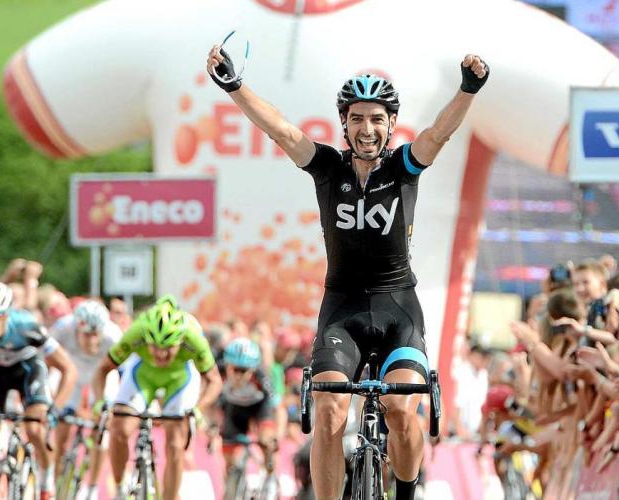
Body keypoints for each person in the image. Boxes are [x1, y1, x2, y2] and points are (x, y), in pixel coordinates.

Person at [206, 42, 489, 500]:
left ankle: (405, 493)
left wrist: (468, 89)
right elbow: (280, 130)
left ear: (391, 124)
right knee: (330, 411)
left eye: (377, 119)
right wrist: (235, 86)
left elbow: (438, 133)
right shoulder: (327, 168)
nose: (367, 128)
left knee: (401, 409)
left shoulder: (403, 168)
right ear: (344, 122)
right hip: (342, 309)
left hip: (399, 308)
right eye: (357, 118)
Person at [92, 295, 223, 500]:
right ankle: (120, 489)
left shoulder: (193, 338)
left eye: (168, 348)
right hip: (143, 376)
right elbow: (102, 370)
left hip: (178, 379)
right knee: (119, 428)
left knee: (176, 444)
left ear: (181, 341)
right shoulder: (136, 332)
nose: (161, 354)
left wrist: (198, 408)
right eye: (155, 347)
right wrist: (101, 401)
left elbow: (214, 380)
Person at [0, 280, 77, 500]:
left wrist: (55, 409)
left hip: (27, 372)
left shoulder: (25, 326)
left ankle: (47, 481)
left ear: (6, 316)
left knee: (35, 428)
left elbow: (69, 369)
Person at [51, 300, 122, 500]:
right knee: (62, 431)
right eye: (86, 335)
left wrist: (109, 408)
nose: (91, 340)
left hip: (103, 375)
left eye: (95, 334)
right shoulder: (62, 328)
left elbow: (124, 375)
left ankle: (92, 487)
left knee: (101, 431)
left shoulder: (114, 336)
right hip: (72, 373)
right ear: (76, 329)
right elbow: (44, 359)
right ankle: (57, 486)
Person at [209, 338, 279, 481]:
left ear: (252, 370)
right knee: (229, 460)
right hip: (234, 409)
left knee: (266, 440)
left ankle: (270, 477)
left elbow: (278, 408)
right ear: (227, 365)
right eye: (234, 369)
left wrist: (276, 435)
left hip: (259, 408)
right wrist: (213, 426)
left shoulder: (261, 378)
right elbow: (211, 403)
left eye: (243, 370)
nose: (238, 375)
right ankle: (230, 488)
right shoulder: (218, 372)